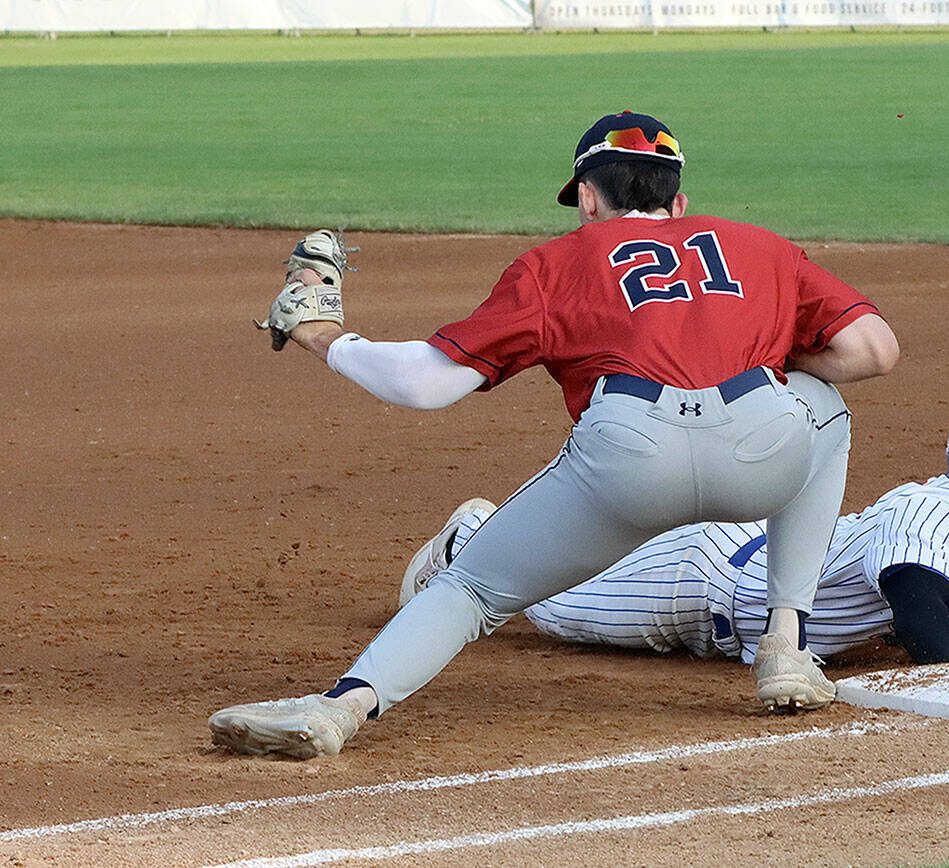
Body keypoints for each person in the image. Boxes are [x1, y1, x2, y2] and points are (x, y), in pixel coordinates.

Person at [209, 111, 899, 759]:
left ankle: (338, 710)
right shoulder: (762, 247)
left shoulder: (558, 263)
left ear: (589, 200)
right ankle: (786, 642)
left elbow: (428, 384)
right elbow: (874, 349)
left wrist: (322, 337)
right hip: (763, 452)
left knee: (473, 590)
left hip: (630, 463)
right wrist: (764, 366)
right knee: (821, 403)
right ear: (678, 203)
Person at [410, 393, 949, 669]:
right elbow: (921, 611)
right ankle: (469, 539)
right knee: (545, 600)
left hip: (748, 586)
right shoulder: (931, 513)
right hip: (701, 581)